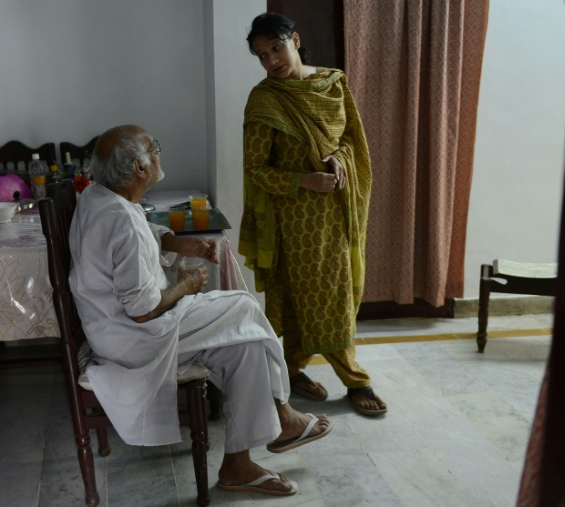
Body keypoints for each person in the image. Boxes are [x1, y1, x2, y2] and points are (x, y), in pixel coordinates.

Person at [68, 124, 333, 496]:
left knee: (246, 347)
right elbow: (142, 310)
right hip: (136, 337)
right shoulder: (120, 220)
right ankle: (284, 415)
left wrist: (180, 244)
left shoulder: (99, 196)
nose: (159, 151)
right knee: (243, 307)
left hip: (117, 329)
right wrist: (187, 286)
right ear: (139, 168)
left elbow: (142, 231)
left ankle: (237, 466)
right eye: (153, 147)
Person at [239, 12, 387, 416]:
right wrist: (302, 181)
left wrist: (340, 157)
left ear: (296, 40)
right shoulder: (265, 100)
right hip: (291, 221)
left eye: (276, 48)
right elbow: (256, 169)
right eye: (262, 55)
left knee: (336, 295)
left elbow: (352, 139)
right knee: (300, 297)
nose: (272, 60)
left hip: (335, 213)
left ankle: (299, 369)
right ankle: (350, 378)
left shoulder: (333, 83)